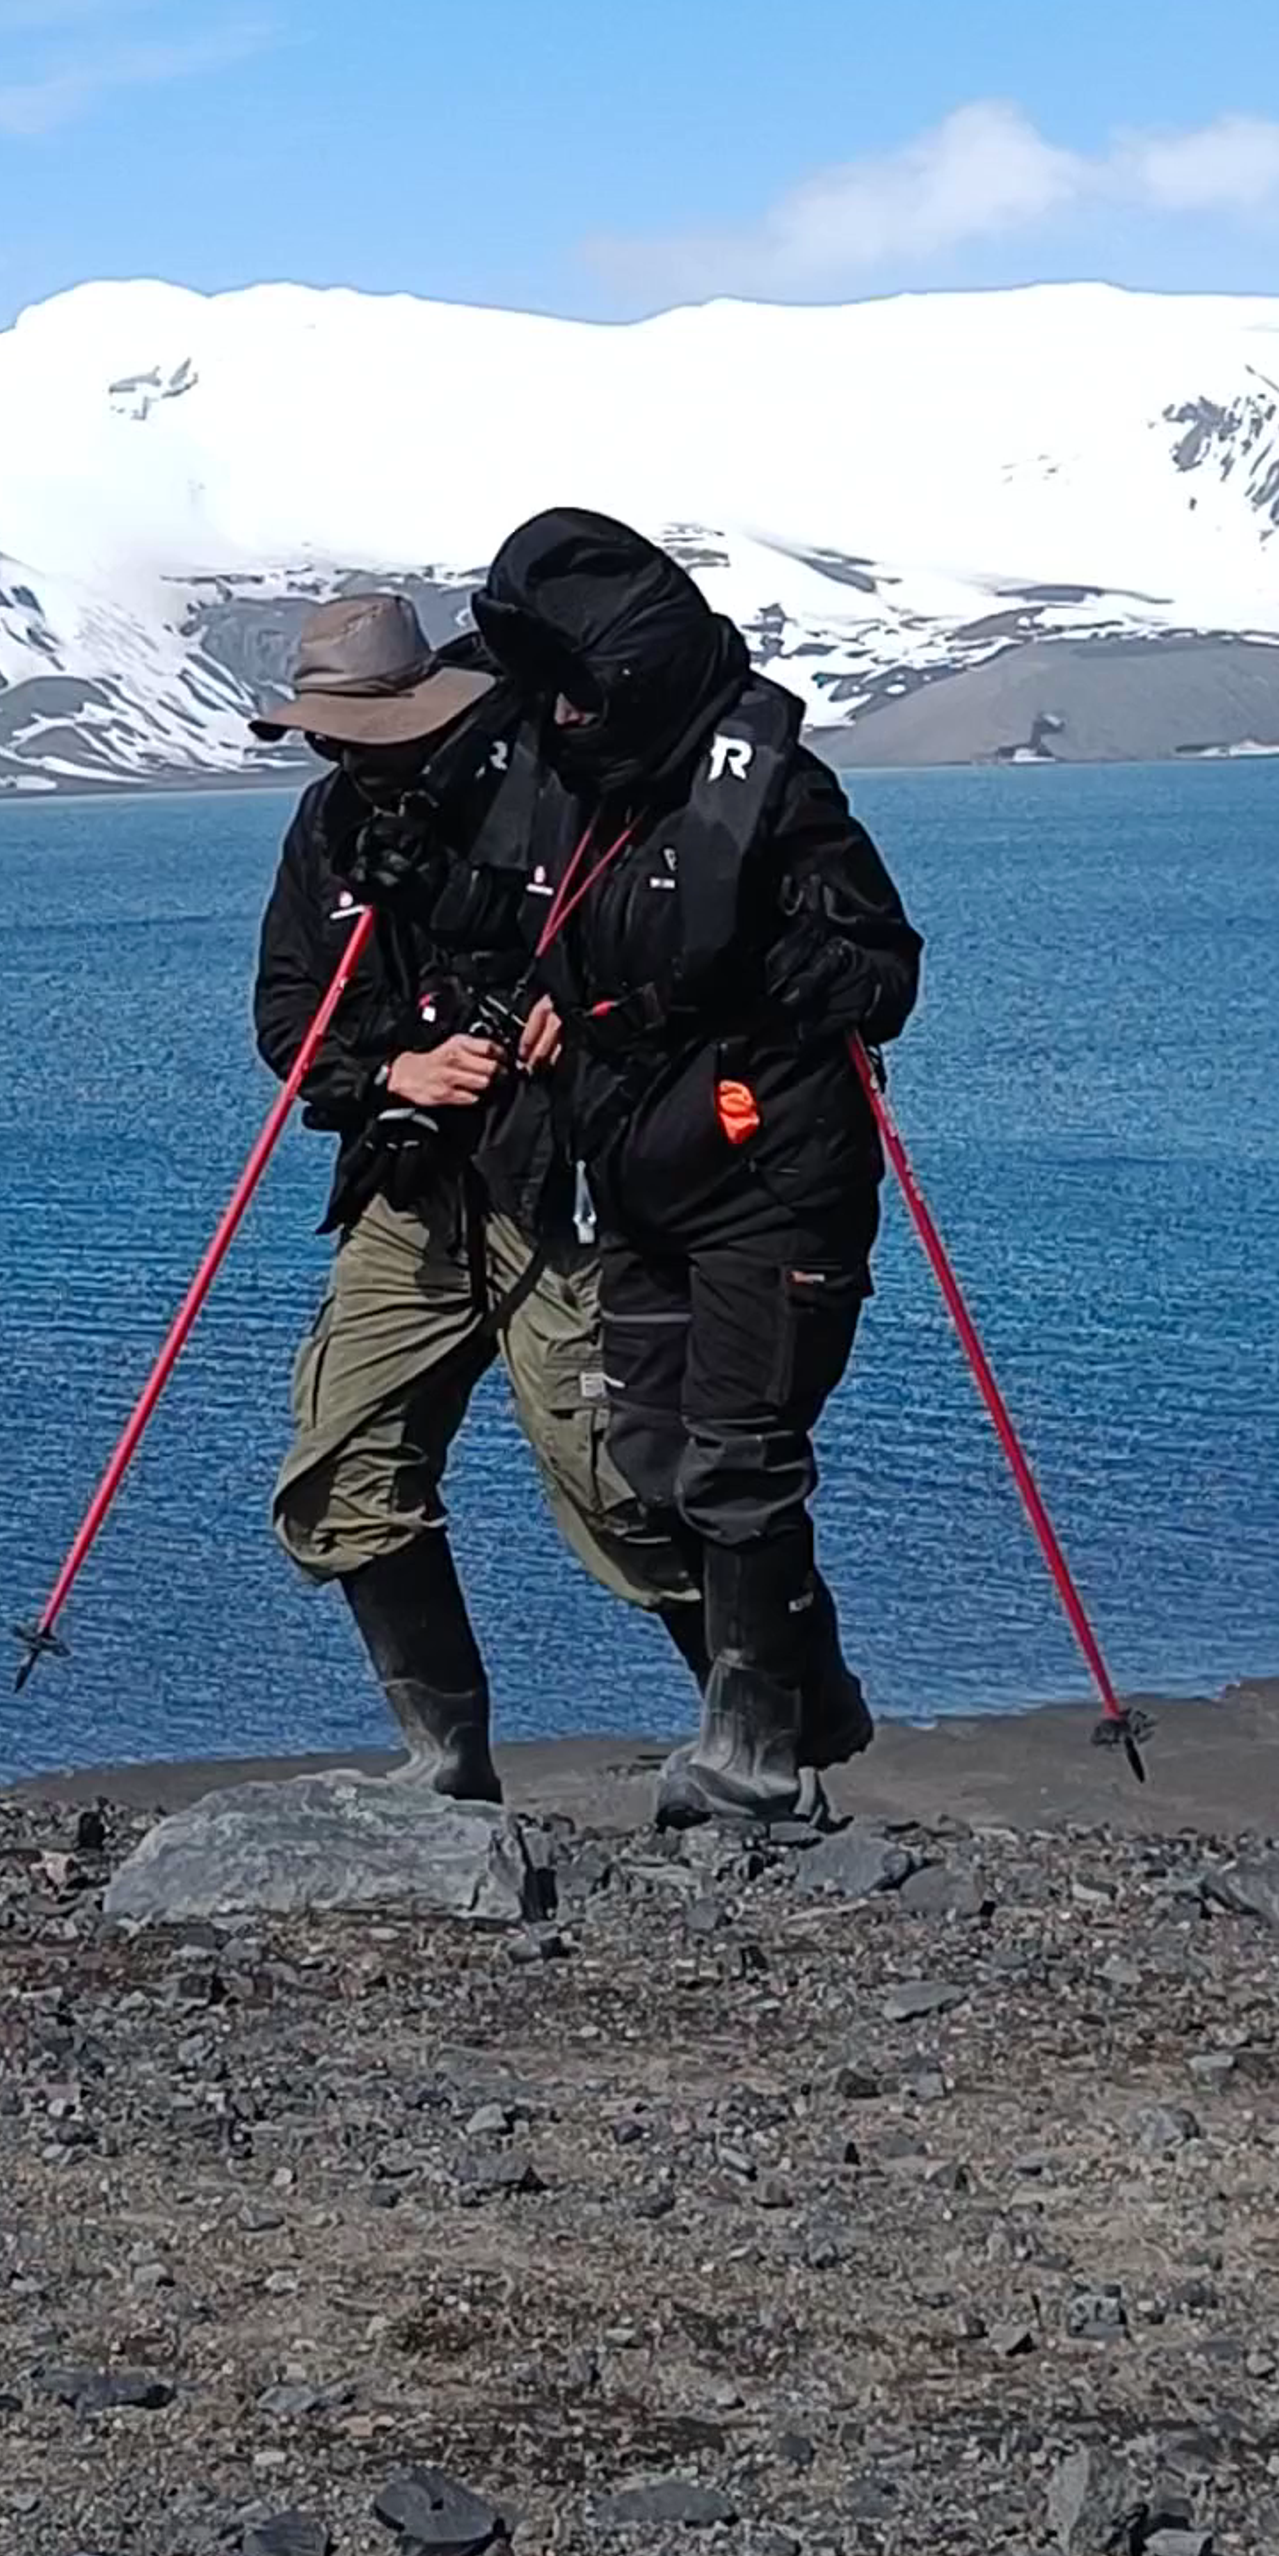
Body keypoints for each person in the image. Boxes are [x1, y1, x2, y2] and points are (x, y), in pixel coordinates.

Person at [473, 501, 925, 1829]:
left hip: (775, 1175)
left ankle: (754, 1759)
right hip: (640, 1173)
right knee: (650, 1457)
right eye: (544, 694)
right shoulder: (576, 794)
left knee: (737, 1458)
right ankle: (807, 1697)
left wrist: (776, 966)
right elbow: (547, 941)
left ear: (636, 677)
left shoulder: (778, 788)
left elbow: (884, 971)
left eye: (574, 692)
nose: (555, 719)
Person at [248, 588, 710, 1802]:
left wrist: (584, 998)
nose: (338, 752)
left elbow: (669, 940)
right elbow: (290, 1015)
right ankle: (445, 1761)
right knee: (341, 1473)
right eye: (323, 735)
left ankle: (769, 1735)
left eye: (356, 730)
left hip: (561, 1187)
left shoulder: (560, 786)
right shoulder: (327, 824)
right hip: (408, 1184)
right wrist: (391, 1067)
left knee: (621, 1481)